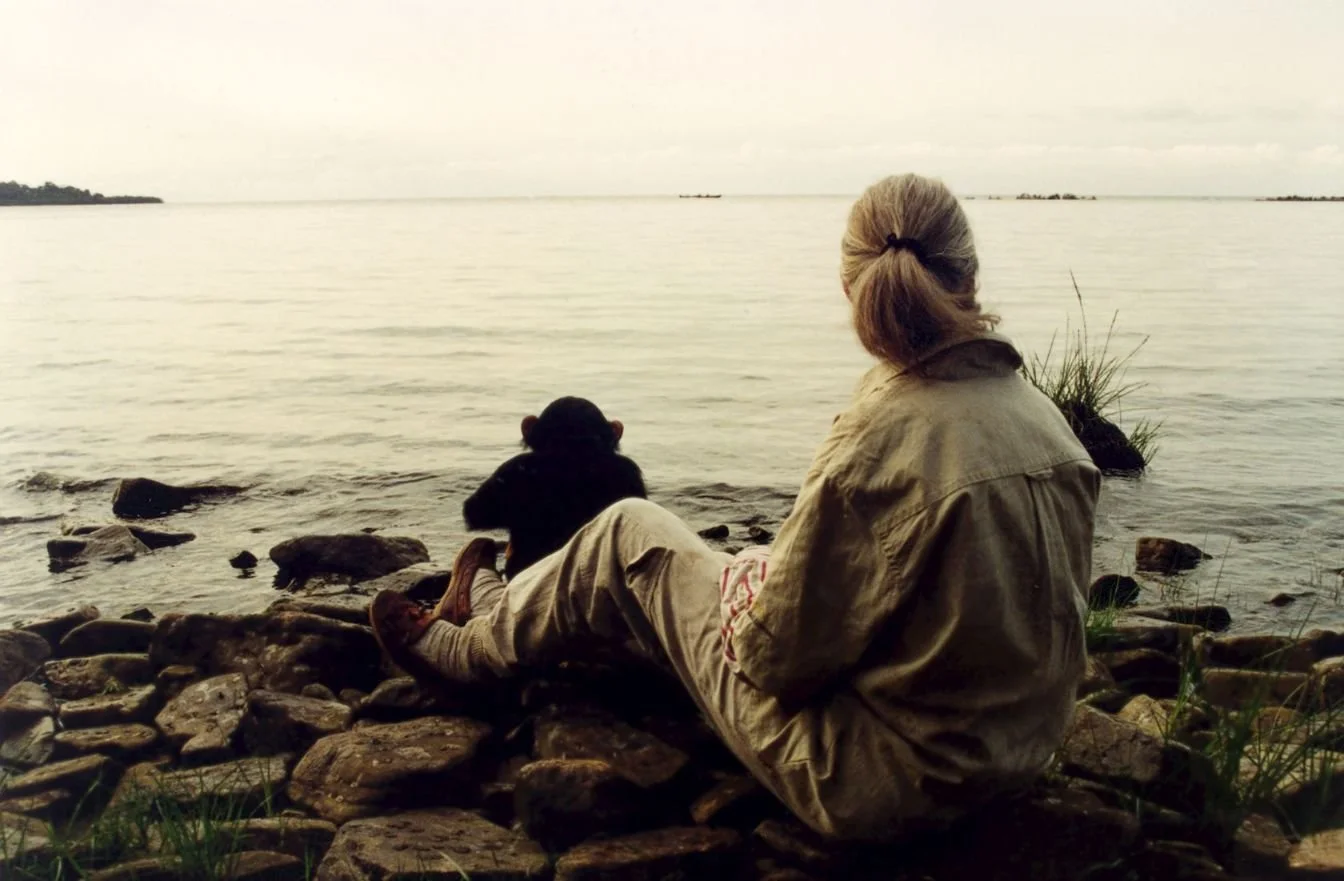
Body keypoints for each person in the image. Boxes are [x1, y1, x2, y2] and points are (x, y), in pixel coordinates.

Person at [370, 173, 1100, 842]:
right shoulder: (1049, 427)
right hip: (1010, 759)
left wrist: (746, 591)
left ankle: (466, 648)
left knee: (629, 532)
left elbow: (772, 662)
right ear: (970, 277)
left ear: (850, 287)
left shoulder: (878, 442)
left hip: (879, 784)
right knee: (719, 571)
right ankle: (507, 605)